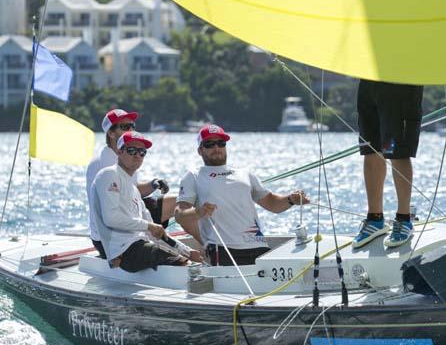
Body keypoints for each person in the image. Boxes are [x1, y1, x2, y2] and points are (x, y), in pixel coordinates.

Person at [175, 124, 310, 266]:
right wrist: (199, 211)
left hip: (258, 246)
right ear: (200, 150)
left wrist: (291, 199)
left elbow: (272, 204)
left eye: (221, 143)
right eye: (209, 144)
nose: (216, 148)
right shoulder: (193, 177)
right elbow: (179, 214)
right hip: (222, 248)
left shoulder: (245, 174)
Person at [86, 108, 200, 259]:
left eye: (132, 126)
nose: (130, 130)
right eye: (125, 127)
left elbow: (132, 190)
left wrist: (153, 184)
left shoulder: (126, 154)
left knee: (180, 202)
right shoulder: (104, 163)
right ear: (111, 133)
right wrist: (150, 228)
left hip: (127, 216)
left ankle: (208, 246)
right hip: (109, 236)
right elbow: (113, 213)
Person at [352, 80, 423, 249]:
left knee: (397, 153)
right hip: (369, 78)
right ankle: (375, 219)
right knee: (370, 150)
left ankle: (404, 219)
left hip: (400, 78)